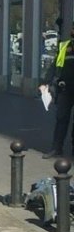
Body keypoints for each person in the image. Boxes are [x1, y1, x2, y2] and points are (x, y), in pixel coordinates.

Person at [44, 23, 74, 159]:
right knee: (61, 118)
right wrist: (44, 82)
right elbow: (54, 66)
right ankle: (56, 148)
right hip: (65, 89)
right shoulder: (65, 46)